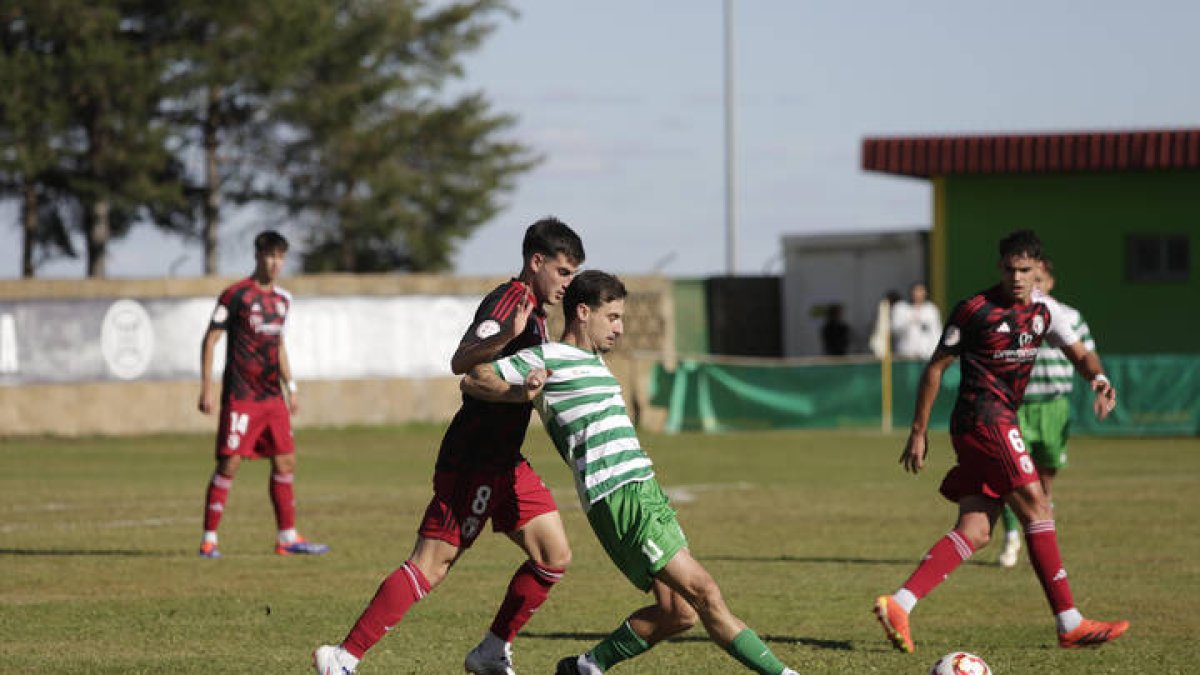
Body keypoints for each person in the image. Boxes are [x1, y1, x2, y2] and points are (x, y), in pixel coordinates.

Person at [462, 270, 801, 675]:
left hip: (647, 492)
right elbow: (473, 376)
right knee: (706, 593)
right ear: (583, 312)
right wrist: (519, 389)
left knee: (679, 613)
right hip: (618, 498)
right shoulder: (546, 357)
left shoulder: (595, 361)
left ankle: (586, 667)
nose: (620, 329)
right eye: (613, 317)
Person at [313, 217, 584, 675]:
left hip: (505, 460)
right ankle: (342, 657)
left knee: (553, 555)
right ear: (536, 262)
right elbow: (463, 364)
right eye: (562, 272)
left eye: (573, 275)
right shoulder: (510, 302)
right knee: (431, 565)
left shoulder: (535, 314)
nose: (567, 284)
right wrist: (510, 361)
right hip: (474, 458)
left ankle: (491, 651)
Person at [872, 229, 1128, 653]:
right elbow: (935, 368)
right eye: (1010, 269)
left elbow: (1080, 353)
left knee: (975, 530)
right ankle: (1070, 622)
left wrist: (1098, 379)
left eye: (1025, 270)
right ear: (1000, 268)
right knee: (1037, 504)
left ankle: (899, 604)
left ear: (1039, 271)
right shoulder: (975, 310)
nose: (1017, 277)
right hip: (982, 419)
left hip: (998, 420)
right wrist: (918, 431)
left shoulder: (1047, 313)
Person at [197, 230, 328, 558]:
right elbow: (211, 339)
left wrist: (291, 387)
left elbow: (279, 344)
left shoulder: (283, 300)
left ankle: (287, 538)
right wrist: (206, 388)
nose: (275, 263)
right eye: (270, 256)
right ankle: (209, 538)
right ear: (257, 256)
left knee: (286, 461)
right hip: (242, 396)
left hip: (272, 397)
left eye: (281, 257)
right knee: (229, 463)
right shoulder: (235, 295)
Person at [996, 258, 1097, 567]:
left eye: (1039, 279)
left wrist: (1098, 381)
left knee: (1045, 478)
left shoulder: (1068, 316)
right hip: (1018, 406)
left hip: (1054, 405)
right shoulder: (1011, 315)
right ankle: (1012, 536)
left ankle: (1042, 538)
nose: (1033, 285)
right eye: (1029, 277)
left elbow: (1087, 354)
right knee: (1012, 476)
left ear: (1050, 282)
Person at [891, 282, 941, 359]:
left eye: (921, 291)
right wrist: (909, 321)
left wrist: (936, 352)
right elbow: (895, 330)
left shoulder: (931, 309)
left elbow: (936, 332)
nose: (918, 294)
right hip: (906, 353)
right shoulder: (901, 308)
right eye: (916, 291)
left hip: (927, 354)